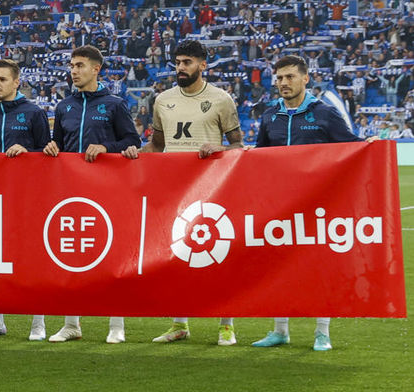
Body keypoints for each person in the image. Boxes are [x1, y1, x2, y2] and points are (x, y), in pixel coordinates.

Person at [250, 55, 372, 352]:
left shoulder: (325, 114)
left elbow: (351, 148)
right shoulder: (269, 116)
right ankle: (280, 330)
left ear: (306, 78)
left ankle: (322, 332)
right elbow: (259, 158)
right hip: (280, 209)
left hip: (319, 210)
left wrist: (374, 151)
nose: (283, 83)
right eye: (278, 78)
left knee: (320, 269)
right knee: (277, 269)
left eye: (290, 77)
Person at [141, 40, 244, 347]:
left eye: (187, 62)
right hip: (174, 189)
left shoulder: (221, 99)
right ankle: (179, 323)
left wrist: (221, 148)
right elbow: (157, 146)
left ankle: (226, 325)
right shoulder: (163, 99)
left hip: (213, 188)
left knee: (218, 256)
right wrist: (134, 151)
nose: (180, 67)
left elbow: (238, 145)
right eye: (177, 62)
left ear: (203, 65)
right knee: (176, 257)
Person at [42, 45, 140, 344]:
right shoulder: (64, 107)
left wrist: (107, 148)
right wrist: (51, 147)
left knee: (113, 257)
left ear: (96, 69)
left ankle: (116, 324)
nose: (74, 70)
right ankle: (72, 323)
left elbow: (132, 141)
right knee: (69, 256)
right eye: (72, 65)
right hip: (71, 192)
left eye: (80, 65)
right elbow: (57, 142)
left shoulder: (114, 104)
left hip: (108, 191)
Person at [0, 59, 52, 341]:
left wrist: (28, 152)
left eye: (2, 79)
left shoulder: (34, 113)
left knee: (32, 262)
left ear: (17, 82)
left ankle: (38, 322)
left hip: (28, 198)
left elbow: (49, 156)